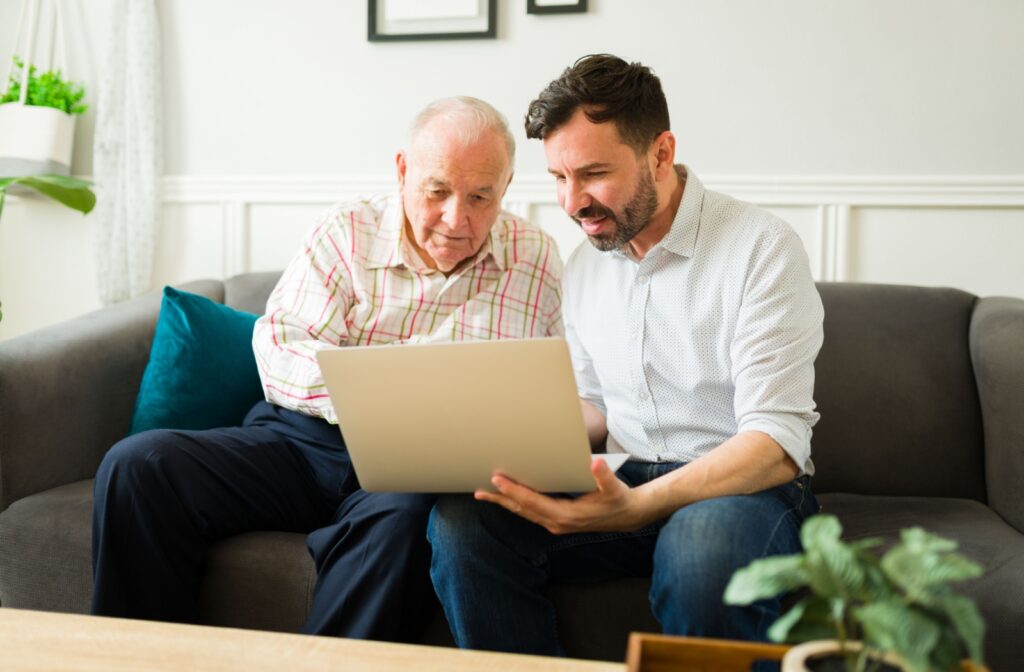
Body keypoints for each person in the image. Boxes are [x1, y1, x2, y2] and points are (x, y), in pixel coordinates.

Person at [90, 96, 564, 642]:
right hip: (301, 442)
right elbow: (282, 347)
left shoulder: (534, 257)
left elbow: (536, 390)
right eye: (437, 192)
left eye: (481, 197)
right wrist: (376, 396)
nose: (457, 219)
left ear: (505, 189)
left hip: (416, 468)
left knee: (405, 523)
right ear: (403, 171)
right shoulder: (346, 231)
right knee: (139, 463)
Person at [428, 55, 825, 655]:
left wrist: (635, 507)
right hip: (624, 476)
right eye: (558, 178)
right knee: (465, 523)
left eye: (592, 174)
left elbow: (774, 442)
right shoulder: (588, 265)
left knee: (702, 558)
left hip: (741, 492)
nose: (571, 202)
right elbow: (593, 405)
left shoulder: (761, 249)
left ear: (660, 153)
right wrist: (509, 436)